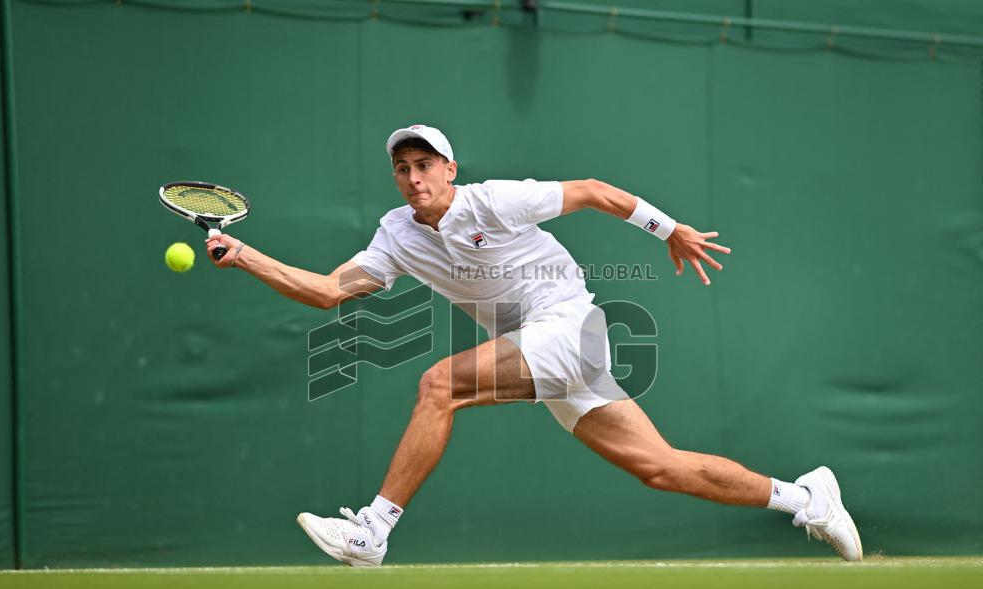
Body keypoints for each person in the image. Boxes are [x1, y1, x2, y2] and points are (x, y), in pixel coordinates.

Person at [207, 124, 862, 566]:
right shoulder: (395, 235)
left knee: (440, 385)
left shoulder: (494, 201)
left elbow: (594, 193)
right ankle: (806, 498)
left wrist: (670, 229)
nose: (413, 178)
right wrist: (244, 257)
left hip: (569, 329)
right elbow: (327, 291)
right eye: (402, 169)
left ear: (449, 169)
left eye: (425, 165)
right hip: (547, 349)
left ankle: (373, 529)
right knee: (661, 468)